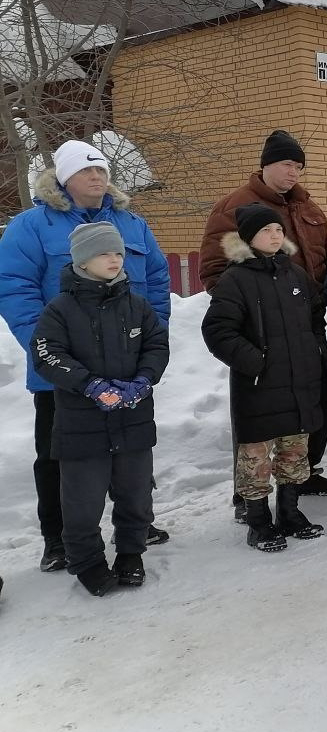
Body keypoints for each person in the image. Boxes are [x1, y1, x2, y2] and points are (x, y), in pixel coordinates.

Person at [0, 139, 172, 573]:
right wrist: (50, 352)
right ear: (62, 178)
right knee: (61, 459)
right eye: (85, 171)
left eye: (101, 170)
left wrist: (151, 338)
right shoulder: (32, 226)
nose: (97, 177)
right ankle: (58, 539)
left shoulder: (132, 224)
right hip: (64, 377)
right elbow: (14, 289)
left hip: (126, 368)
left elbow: (154, 281)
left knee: (130, 451)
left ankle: (135, 527)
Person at [200, 129, 327, 500]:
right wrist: (250, 310)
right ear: (265, 165)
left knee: (312, 400)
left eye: (298, 166)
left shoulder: (308, 206)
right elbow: (214, 270)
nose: (293, 172)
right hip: (260, 330)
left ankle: (303, 473)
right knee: (259, 414)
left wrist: (320, 298)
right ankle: (250, 493)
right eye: (286, 164)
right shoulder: (234, 206)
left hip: (306, 321)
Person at [31, 223, 169, 595]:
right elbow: (46, 355)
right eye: (104, 253)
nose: (114, 259)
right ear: (82, 260)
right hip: (81, 425)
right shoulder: (59, 310)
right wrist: (89, 384)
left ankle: (130, 553)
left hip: (133, 418)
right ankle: (88, 562)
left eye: (119, 253)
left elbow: (157, 345)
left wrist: (143, 380)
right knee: (82, 501)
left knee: (136, 494)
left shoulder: (137, 305)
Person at [201, 204, 327, 550]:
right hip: (259, 388)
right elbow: (217, 330)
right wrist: (256, 362)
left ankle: (290, 512)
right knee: (256, 460)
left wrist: (315, 350)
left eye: (278, 230)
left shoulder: (295, 274)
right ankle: (258, 522)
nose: (274, 236)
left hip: (299, 382)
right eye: (266, 231)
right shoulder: (236, 279)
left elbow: (316, 317)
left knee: (293, 453)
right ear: (249, 238)